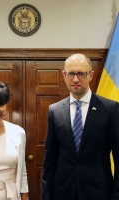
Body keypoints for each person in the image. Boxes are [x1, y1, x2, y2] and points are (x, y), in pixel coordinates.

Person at [42, 53, 119, 200]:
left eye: (81, 74)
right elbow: (49, 161)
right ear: (64, 75)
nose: (76, 79)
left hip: (99, 194)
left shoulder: (109, 109)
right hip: (63, 193)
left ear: (91, 75)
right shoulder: (55, 111)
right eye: (71, 74)